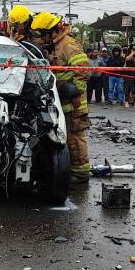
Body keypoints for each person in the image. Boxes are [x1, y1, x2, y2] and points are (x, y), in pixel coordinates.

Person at [31, 12, 91, 182]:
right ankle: (70, 168)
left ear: (53, 31)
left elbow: (84, 70)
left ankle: (81, 173)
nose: (41, 39)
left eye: (43, 34)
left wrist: (76, 92)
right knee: (65, 135)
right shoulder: (55, 45)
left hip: (73, 100)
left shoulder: (68, 45)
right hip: (61, 97)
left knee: (74, 135)